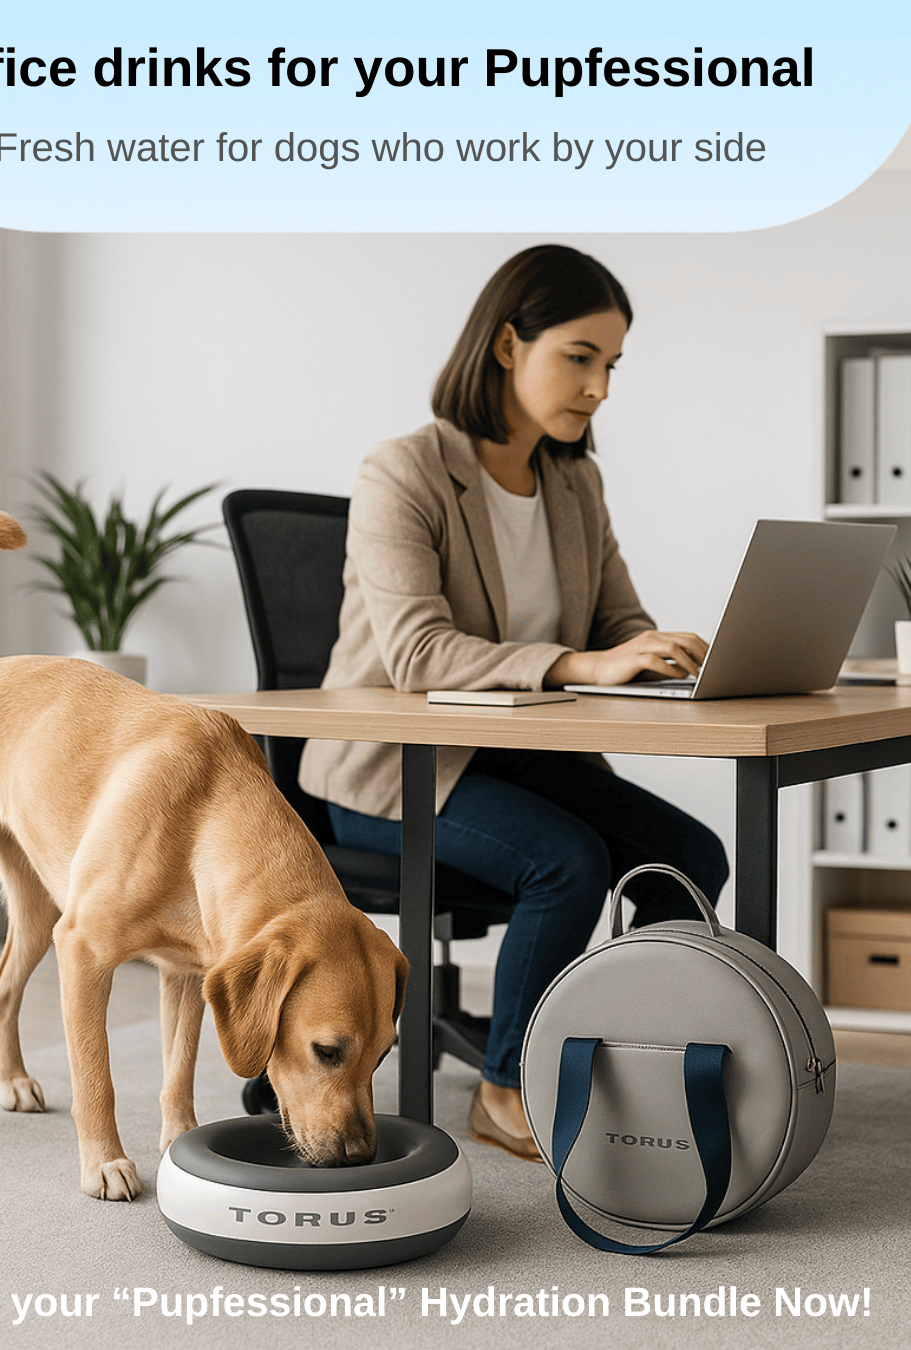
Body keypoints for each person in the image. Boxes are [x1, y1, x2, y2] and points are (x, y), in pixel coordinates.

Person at [299, 244, 729, 1160]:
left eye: (611, 365)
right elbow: (418, 652)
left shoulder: (575, 482)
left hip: (523, 755)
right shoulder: (404, 471)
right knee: (566, 862)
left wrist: (659, 654)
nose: (599, 387)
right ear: (506, 346)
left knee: (690, 860)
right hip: (392, 770)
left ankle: (626, 1055)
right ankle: (505, 1088)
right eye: (580, 357)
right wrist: (584, 663)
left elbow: (617, 621)